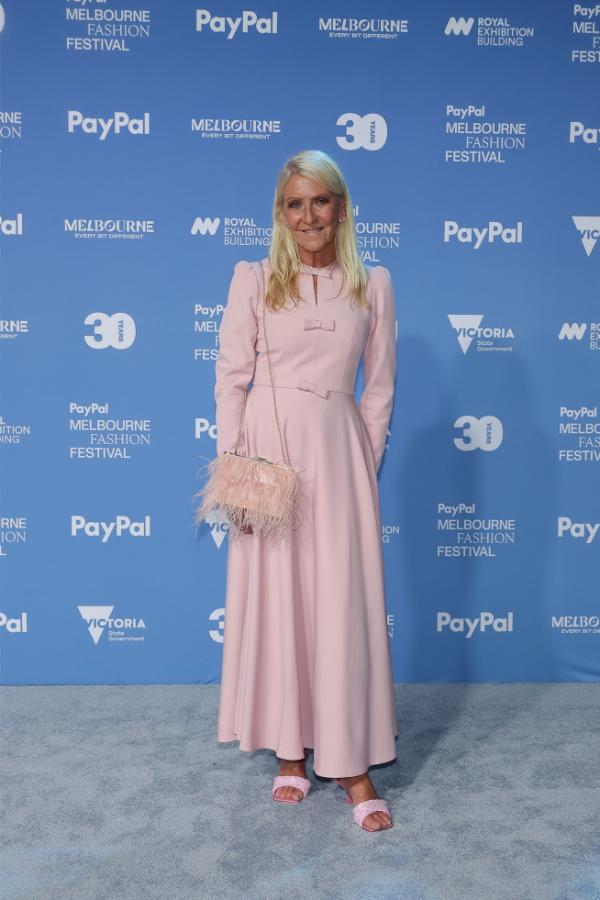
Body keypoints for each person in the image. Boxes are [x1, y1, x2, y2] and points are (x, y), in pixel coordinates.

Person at [213, 149, 398, 832]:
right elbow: (231, 377)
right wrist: (235, 471)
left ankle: (351, 763)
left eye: (320, 201)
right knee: (279, 598)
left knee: (341, 605)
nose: (309, 215)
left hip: (341, 458)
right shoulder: (255, 278)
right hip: (270, 454)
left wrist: (362, 464)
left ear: (341, 208)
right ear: (280, 213)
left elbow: (379, 389)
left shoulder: (373, 285)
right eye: (295, 204)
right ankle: (290, 753)